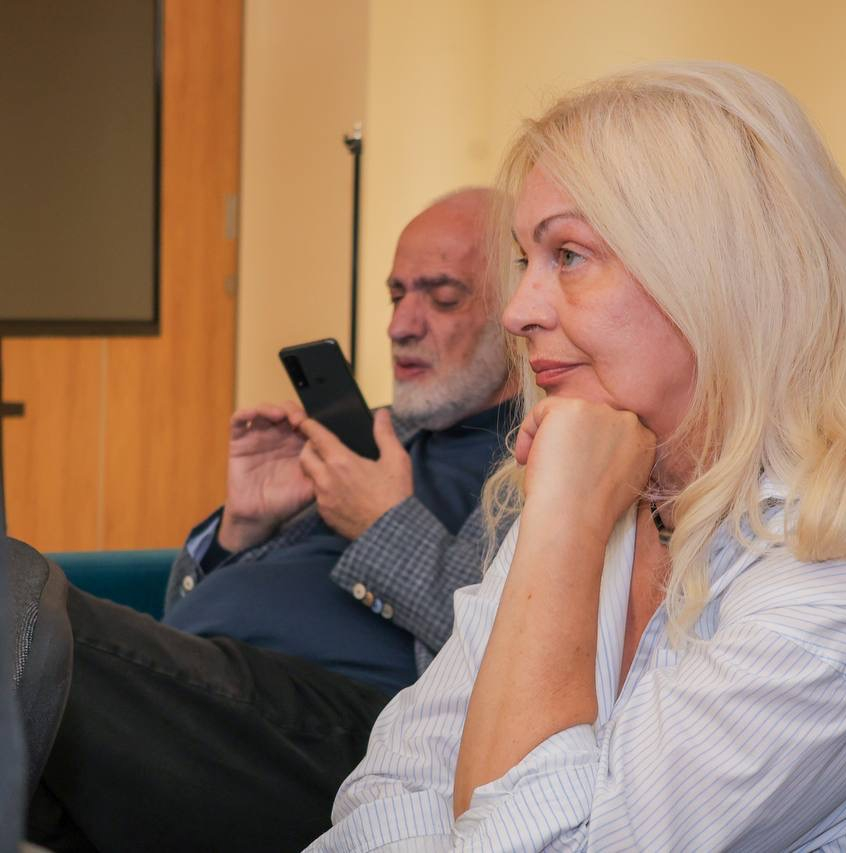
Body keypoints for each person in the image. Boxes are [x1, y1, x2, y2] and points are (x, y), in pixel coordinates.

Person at [309, 63, 846, 851]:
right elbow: (380, 798)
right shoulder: (605, 494)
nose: (518, 311)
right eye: (524, 261)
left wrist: (562, 523)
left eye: (567, 255)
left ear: (712, 272)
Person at [13, 188, 517, 852]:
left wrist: (382, 522)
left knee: (13, 605)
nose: (401, 324)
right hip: (199, 695)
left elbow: (514, 651)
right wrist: (240, 531)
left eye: (442, 297)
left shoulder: (527, 463)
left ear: (517, 312)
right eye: (397, 294)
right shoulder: (371, 434)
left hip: (330, 726)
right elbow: (184, 612)